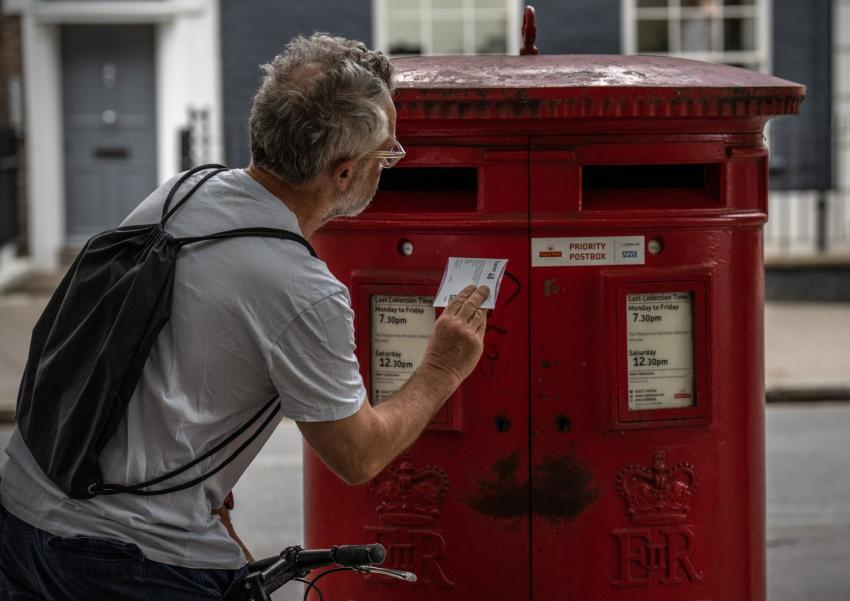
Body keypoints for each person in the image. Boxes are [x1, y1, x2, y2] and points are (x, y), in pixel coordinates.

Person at [0, 33, 488, 600]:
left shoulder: (181, 192)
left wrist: (217, 495)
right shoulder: (302, 288)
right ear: (345, 173)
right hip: (130, 564)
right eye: (387, 154)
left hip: (24, 516)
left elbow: (163, 359)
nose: (389, 166)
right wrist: (442, 370)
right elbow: (359, 455)